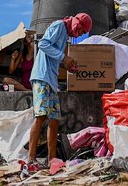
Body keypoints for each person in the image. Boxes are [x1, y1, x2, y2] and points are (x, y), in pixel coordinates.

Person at [27, 13, 92, 170]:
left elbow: (53, 55)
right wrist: (64, 57)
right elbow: (43, 44)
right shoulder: (59, 26)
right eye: (80, 29)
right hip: (42, 77)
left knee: (54, 119)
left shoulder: (66, 36)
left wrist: (67, 65)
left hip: (51, 80)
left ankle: (52, 160)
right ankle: (31, 159)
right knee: (41, 116)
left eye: (83, 33)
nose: (79, 33)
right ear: (75, 21)